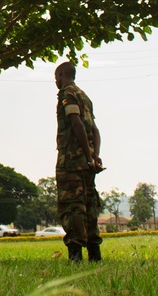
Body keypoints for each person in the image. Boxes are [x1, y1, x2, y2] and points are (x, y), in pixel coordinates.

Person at [54, 61, 104, 263]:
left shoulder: (67, 94)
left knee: (72, 206)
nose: (56, 82)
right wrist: (94, 156)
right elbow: (95, 130)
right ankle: (95, 255)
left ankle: (75, 257)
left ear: (61, 75)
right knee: (89, 205)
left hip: (71, 162)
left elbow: (76, 124)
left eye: (56, 77)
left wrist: (88, 155)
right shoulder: (85, 97)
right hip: (87, 163)